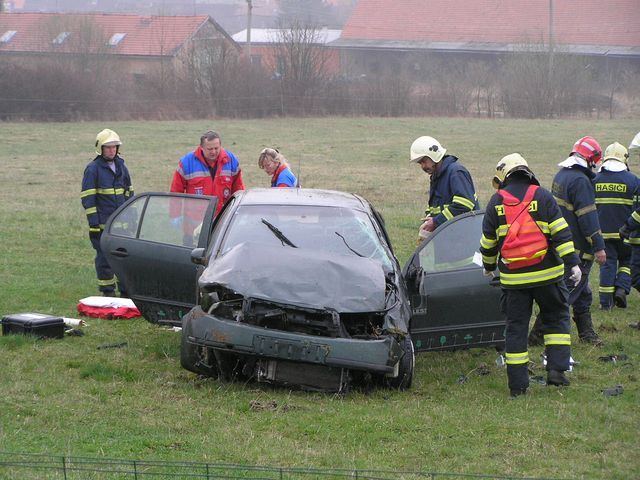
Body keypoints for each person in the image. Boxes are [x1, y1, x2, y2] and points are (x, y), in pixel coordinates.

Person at [480, 154, 579, 397]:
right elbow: (561, 233)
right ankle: (557, 372)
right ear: (526, 171)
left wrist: (488, 266)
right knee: (556, 320)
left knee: (516, 329)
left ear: (504, 177)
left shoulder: (496, 202)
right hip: (549, 276)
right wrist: (573, 264)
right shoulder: (542, 195)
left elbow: (488, 243)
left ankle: (518, 386)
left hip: (515, 281)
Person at [530, 136, 605, 346]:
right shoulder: (581, 181)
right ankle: (536, 337)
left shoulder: (562, 175)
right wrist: (599, 246)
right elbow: (588, 216)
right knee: (565, 294)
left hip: (560, 245)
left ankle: (587, 334)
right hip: (578, 249)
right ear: (591, 159)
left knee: (582, 292)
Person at [81, 129, 134, 297]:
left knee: (123, 258)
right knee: (104, 259)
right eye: (108, 147)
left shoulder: (121, 166)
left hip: (122, 225)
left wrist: (132, 217)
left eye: (114, 147)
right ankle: (108, 291)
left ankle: (125, 290)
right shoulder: (93, 169)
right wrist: (94, 224)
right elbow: (88, 199)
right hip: (103, 225)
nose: (112, 150)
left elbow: (129, 193)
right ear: (100, 148)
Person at [593, 142, 637, 310]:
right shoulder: (634, 180)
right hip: (627, 233)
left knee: (607, 266)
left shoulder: (595, 180)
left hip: (603, 234)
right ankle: (621, 288)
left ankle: (606, 304)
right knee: (628, 261)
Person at [410, 136, 479, 241]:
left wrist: (436, 221)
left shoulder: (456, 172)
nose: (423, 166)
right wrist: (428, 218)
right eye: (420, 163)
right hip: (450, 234)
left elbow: (465, 204)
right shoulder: (437, 176)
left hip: (464, 236)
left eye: (424, 161)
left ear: (434, 156)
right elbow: (435, 206)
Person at [170, 130, 244, 217]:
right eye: (210, 149)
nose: (213, 152)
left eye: (216, 148)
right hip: (194, 221)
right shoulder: (186, 163)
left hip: (222, 219)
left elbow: (238, 190)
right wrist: (175, 216)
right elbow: (176, 193)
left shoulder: (231, 161)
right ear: (201, 147)